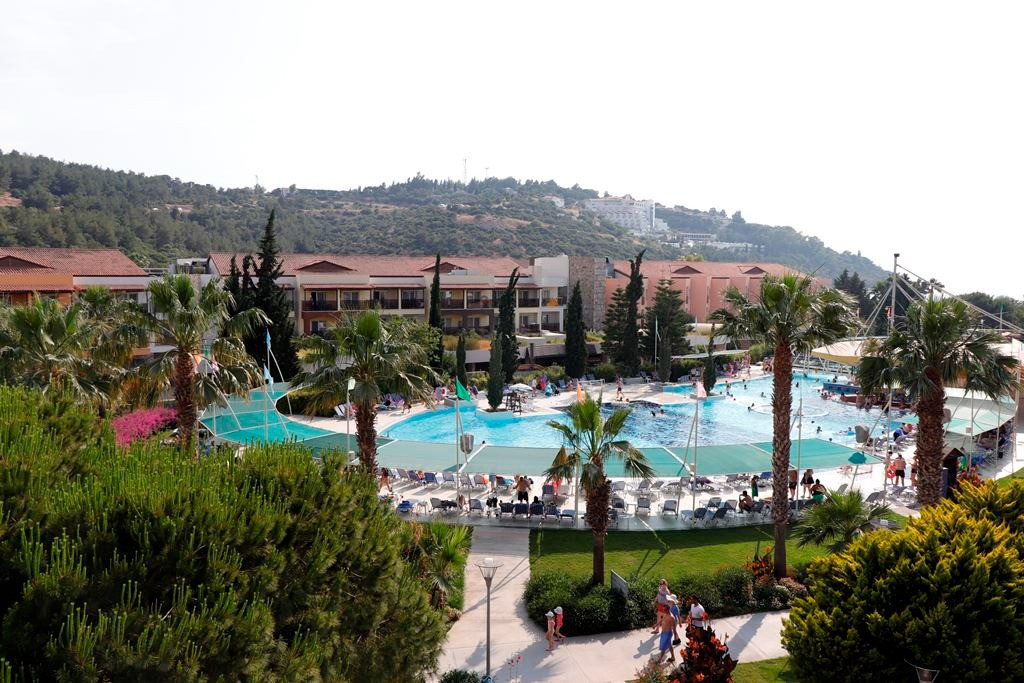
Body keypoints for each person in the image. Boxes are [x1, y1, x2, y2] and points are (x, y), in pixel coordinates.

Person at [656, 595, 678, 665]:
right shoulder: (665, 614)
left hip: (668, 633)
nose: (663, 610)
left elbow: (674, 628)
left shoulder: (672, 617)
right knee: (669, 645)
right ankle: (673, 657)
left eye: (665, 610)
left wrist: (675, 637)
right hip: (663, 632)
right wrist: (656, 625)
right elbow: (662, 620)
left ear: (668, 609)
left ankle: (659, 660)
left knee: (663, 646)